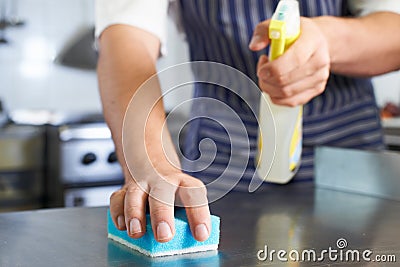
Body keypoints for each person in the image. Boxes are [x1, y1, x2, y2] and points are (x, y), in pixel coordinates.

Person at [95, 0, 400, 243]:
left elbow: (393, 28)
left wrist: (325, 39)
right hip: (223, 159)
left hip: (347, 160)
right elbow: (127, 36)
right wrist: (150, 157)